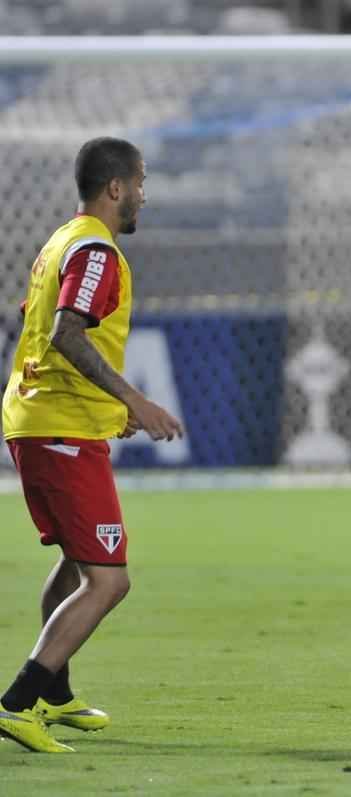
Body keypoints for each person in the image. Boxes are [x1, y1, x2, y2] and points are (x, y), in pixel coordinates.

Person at [0, 137, 184, 753]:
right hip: (61, 430)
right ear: (115, 188)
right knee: (108, 580)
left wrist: (109, 407)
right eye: (139, 183)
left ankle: (55, 694)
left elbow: (45, 327)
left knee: (77, 562)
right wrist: (134, 399)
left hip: (41, 420)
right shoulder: (97, 251)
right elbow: (66, 334)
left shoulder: (61, 240)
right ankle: (16, 703)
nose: (142, 196)